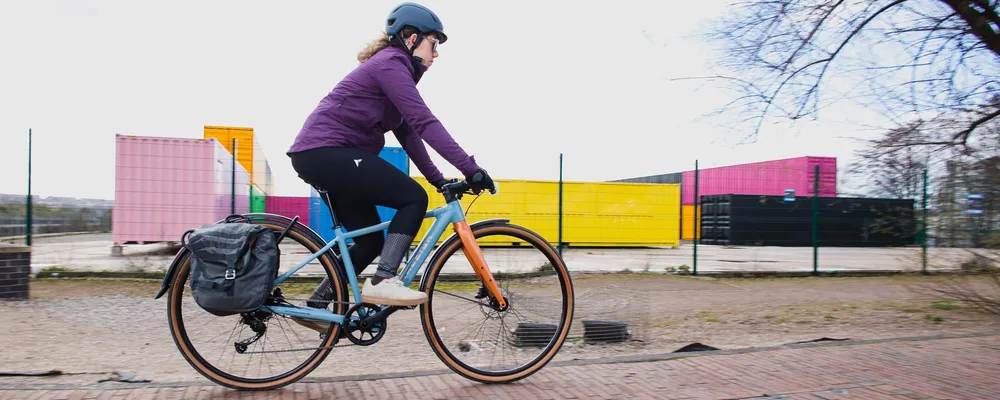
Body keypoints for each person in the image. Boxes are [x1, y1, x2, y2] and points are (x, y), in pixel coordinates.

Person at [285, 2, 495, 331]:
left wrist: (440, 180)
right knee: (412, 198)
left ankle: (317, 303)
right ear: (410, 38)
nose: (436, 54)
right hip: (327, 151)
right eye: (433, 43)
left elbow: (411, 136)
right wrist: (471, 168)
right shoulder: (391, 64)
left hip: (323, 154)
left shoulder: (394, 72)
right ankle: (384, 280)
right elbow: (425, 122)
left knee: (369, 242)